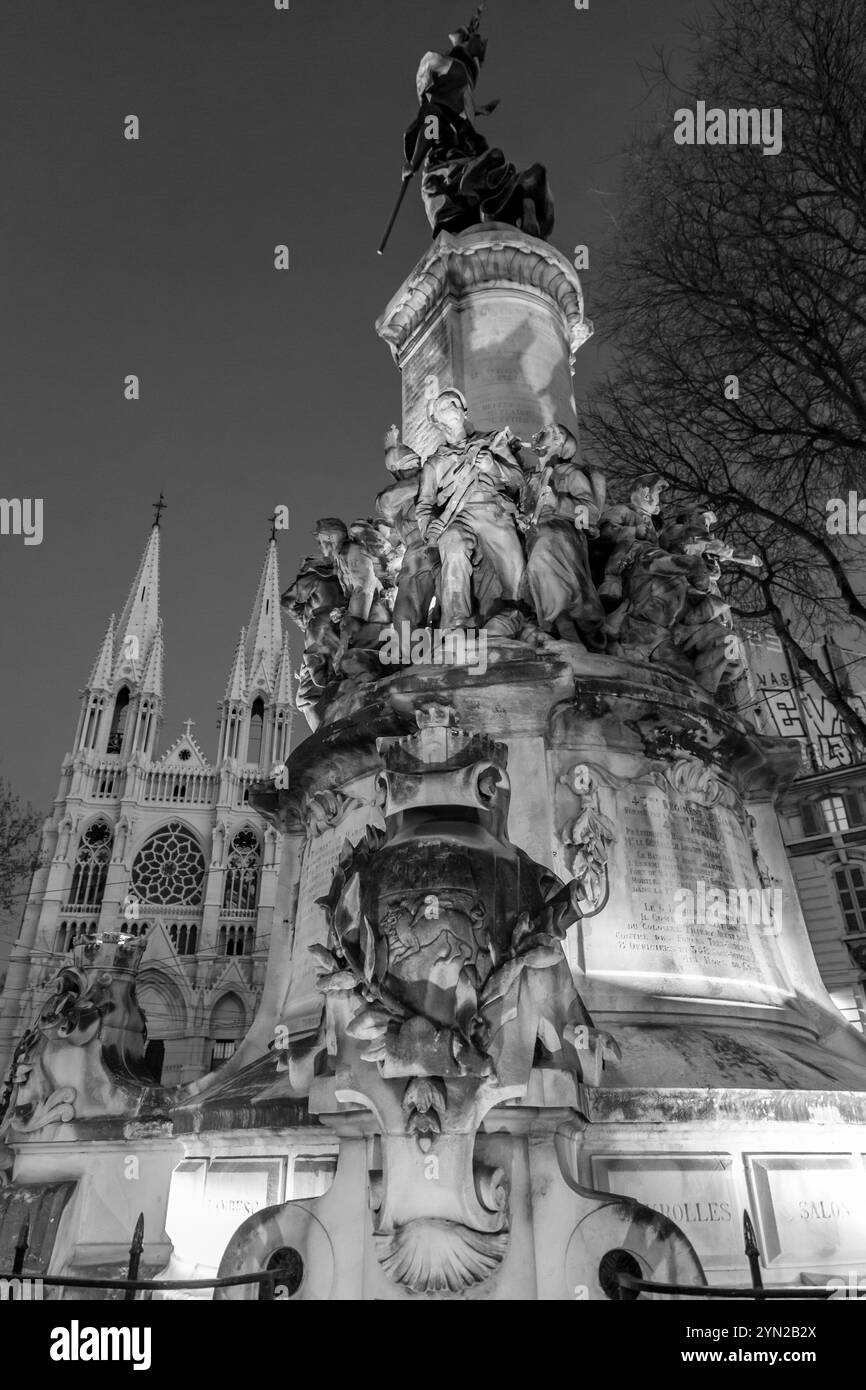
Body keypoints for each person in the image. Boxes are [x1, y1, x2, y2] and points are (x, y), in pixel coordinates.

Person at [403, 20, 554, 239]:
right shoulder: (444, 113)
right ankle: (509, 204)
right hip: (456, 170)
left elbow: (430, 127)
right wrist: (413, 162)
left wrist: (413, 164)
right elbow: (431, 126)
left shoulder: (442, 112)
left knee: (454, 211)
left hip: (452, 171)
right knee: (469, 197)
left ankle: (500, 207)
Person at [415, 388, 525, 631]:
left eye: (455, 402)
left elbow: (518, 480)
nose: (451, 406)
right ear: (437, 420)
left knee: (515, 582)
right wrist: (429, 528)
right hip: (458, 518)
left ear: (466, 411)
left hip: (494, 513)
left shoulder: (492, 442)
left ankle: (514, 618)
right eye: (444, 405)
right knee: (452, 541)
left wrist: (493, 467)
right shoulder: (434, 464)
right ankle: (456, 623)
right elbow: (424, 504)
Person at [520, 423, 607, 648]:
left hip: (560, 530)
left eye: (545, 432)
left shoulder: (571, 473)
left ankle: (562, 626)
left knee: (543, 550)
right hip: (532, 534)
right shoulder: (530, 478)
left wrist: (557, 502)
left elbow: (592, 513)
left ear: (558, 442)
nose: (538, 435)